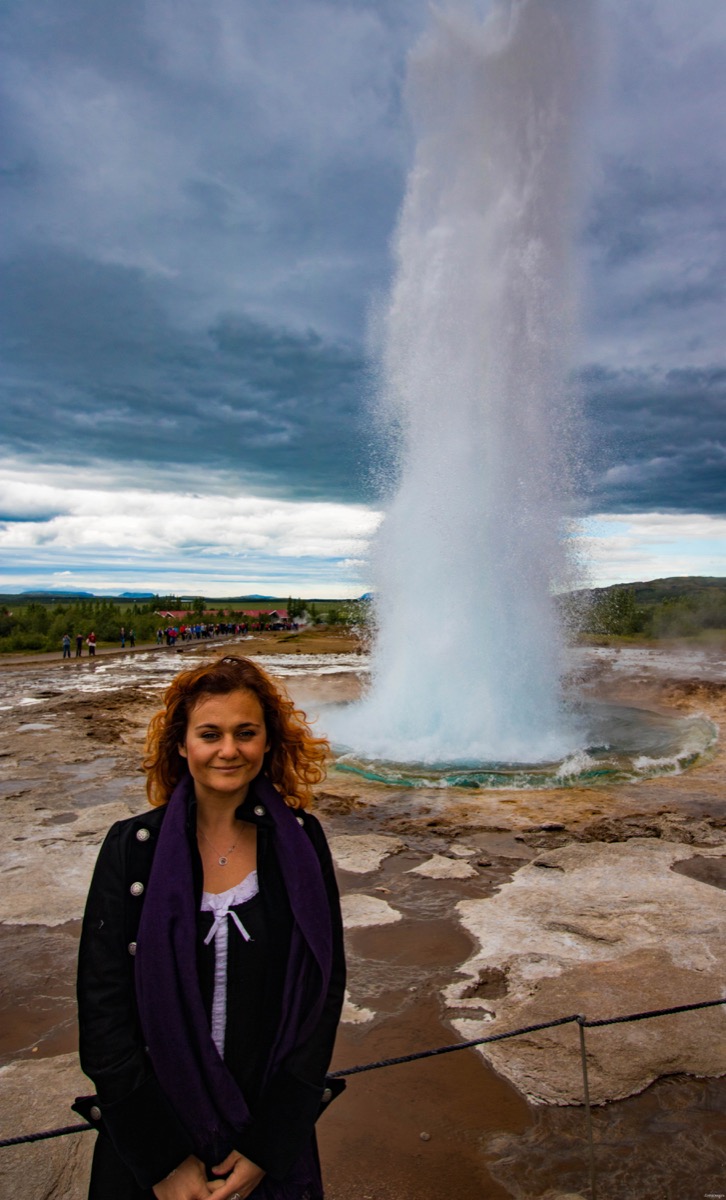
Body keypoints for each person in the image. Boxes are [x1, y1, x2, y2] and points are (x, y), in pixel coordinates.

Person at [75, 655, 346, 1200]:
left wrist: (268, 1147)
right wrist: (163, 1163)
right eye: (210, 734)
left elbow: (323, 991)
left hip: (263, 1135)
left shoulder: (300, 841)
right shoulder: (132, 851)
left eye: (246, 733)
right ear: (181, 744)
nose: (229, 750)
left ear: (268, 743)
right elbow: (103, 1007)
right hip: (154, 1148)